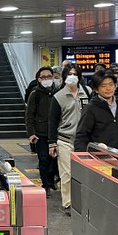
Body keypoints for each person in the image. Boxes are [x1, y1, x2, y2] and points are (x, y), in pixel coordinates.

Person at [48, 64, 91, 214]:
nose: (72, 76)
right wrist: (51, 143)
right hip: (64, 140)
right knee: (67, 174)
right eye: (69, 74)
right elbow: (52, 122)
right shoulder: (58, 97)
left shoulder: (87, 92)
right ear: (64, 77)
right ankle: (68, 203)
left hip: (84, 141)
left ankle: (85, 202)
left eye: (75, 73)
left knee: (84, 174)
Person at [74, 70, 118, 152]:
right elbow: (82, 136)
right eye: (103, 86)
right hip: (100, 157)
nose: (108, 88)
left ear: (115, 86)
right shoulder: (91, 108)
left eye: (111, 85)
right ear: (96, 89)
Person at [26, 66, 57, 192]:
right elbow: (29, 115)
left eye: (49, 77)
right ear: (38, 79)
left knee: (54, 160)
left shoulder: (58, 93)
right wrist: (31, 133)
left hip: (55, 134)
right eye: (43, 77)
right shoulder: (35, 94)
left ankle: (51, 179)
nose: (46, 79)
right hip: (41, 133)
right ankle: (46, 184)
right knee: (43, 159)